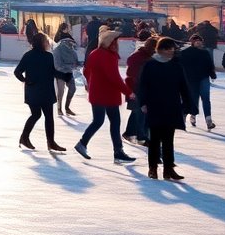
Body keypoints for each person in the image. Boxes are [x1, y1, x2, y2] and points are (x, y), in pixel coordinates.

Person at [74, 28, 137, 164]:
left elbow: (86, 71)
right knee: (113, 122)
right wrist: (128, 92)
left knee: (99, 120)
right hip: (108, 95)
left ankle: (83, 143)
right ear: (109, 43)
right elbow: (114, 77)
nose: (117, 44)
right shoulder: (108, 56)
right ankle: (117, 151)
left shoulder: (95, 53)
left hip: (97, 93)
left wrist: (91, 85)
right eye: (115, 42)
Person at [134, 37, 191, 180]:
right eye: (168, 49)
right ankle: (152, 168)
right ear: (161, 49)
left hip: (171, 105)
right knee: (154, 139)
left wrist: (188, 104)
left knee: (168, 139)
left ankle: (168, 169)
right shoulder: (150, 65)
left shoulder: (176, 65)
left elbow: (183, 85)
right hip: (155, 105)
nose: (171, 51)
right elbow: (143, 85)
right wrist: (143, 103)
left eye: (172, 49)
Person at [14, 32, 66, 152]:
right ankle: (50, 142)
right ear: (42, 43)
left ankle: (25, 138)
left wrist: (26, 81)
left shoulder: (28, 55)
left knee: (36, 114)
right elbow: (53, 72)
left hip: (33, 90)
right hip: (45, 91)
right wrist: (65, 75)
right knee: (48, 117)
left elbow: (17, 72)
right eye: (46, 41)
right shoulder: (48, 56)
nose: (48, 43)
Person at [123, 36, 158, 146]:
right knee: (142, 112)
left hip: (143, 88)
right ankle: (142, 137)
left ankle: (129, 133)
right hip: (136, 88)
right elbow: (134, 74)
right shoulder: (139, 57)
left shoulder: (147, 57)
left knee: (137, 112)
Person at [178, 33, 217, 130]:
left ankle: (208, 120)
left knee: (206, 99)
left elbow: (209, 64)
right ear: (192, 43)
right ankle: (192, 116)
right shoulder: (186, 53)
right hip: (191, 79)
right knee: (193, 99)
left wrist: (212, 74)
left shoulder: (205, 53)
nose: (199, 43)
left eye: (200, 42)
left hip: (204, 78)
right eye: (196, 42)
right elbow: (179, 64)